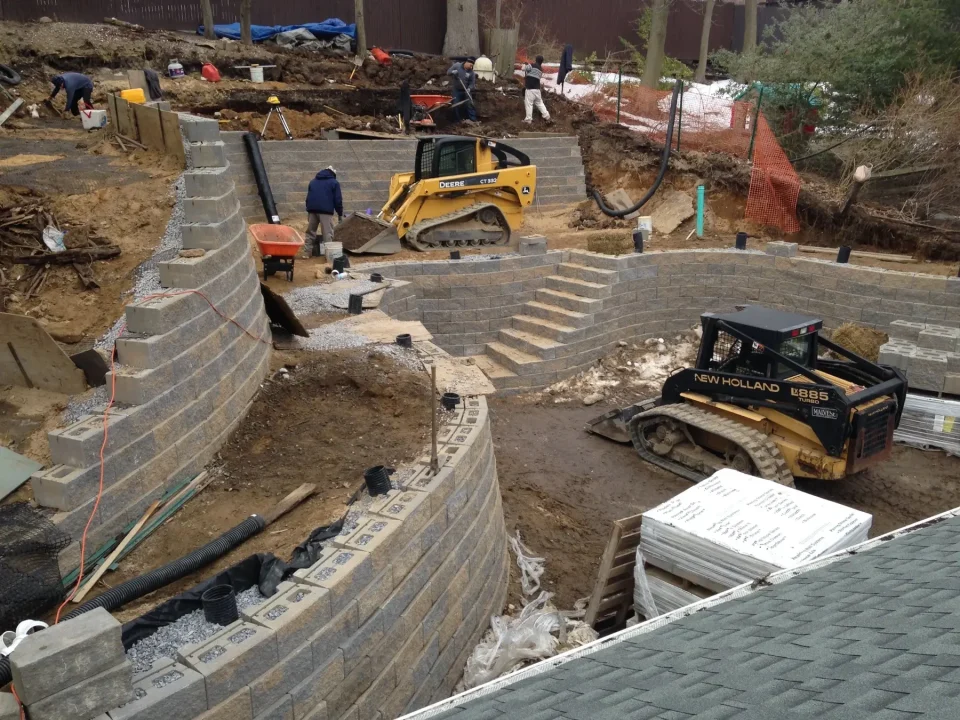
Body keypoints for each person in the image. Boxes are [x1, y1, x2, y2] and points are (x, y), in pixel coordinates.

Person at [305, 166, 343, 257]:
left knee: (310, 231)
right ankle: (328, 255)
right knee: (327, 233)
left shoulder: (313, 182)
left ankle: (307, 253)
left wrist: (309, 209)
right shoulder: (334, 182)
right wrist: (340, 213)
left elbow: (308, 198)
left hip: (312, 210)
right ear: (333, 174)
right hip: (325, 212)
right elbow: (338, 200)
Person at [521, 55, 551, 124]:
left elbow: (523, 69)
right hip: (537, 89)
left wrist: (524, 64)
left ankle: (528, 119)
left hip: (530, 89)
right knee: (539, 103)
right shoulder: (540, 70)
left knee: (529, 103)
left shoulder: (532, 65)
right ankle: (547, 116)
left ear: (536, 59)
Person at [448, 58, 477, 123]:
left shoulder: (471, 72)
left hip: (466, 90)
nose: (471, 67)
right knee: (456, 104)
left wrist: (469, 88)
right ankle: (457, 121)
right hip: (457, 90)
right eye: (470, 65)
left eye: (472, 66)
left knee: (470, 104)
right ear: (466, 62)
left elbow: (472, 83)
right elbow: (448, 72)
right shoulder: (457, 66)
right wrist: (453, 72)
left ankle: (473, 120)